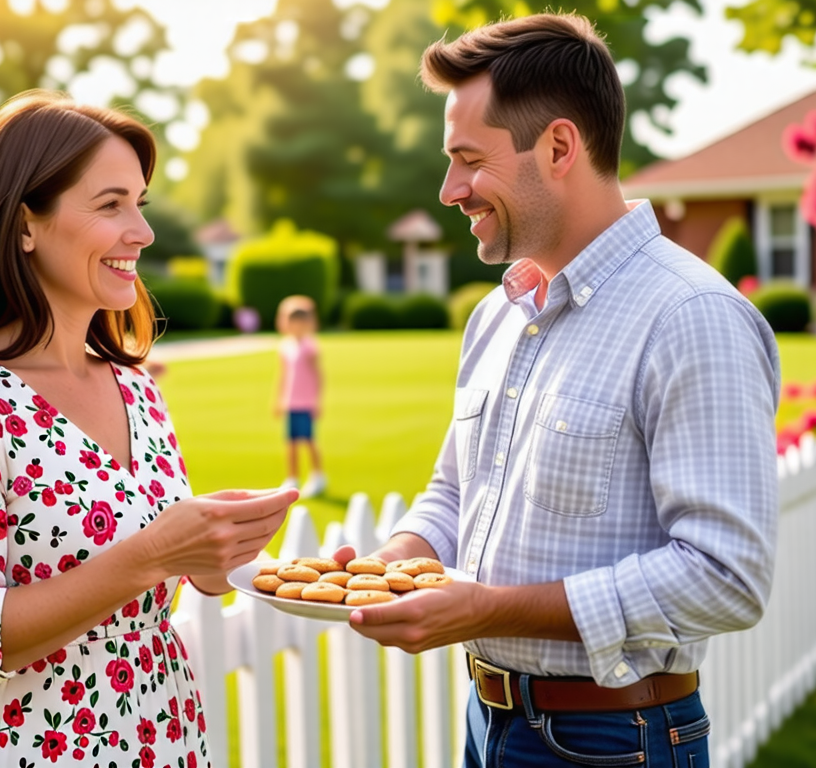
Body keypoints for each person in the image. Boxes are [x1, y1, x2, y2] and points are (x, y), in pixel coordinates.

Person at [334, 14, 780, 768]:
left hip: (614, 740)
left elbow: (726, 577)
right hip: (489, 721)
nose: (449, 190)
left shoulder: (690, 317)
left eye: (468, 160)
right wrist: (394, 564)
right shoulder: (497, 314)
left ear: (560, 147)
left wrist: (489, 609)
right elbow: (453, 493)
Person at [0, 91, 297, 768]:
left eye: (139, 202)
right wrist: (157, 553)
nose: (142, 230)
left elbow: (149, 580)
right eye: (111, 205)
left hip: (159, 737)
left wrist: (214, 551)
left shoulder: (134, 386)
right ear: (24, 225)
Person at [274, 295, 325, 497]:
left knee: (309, 440)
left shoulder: (309, 346)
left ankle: (318, 475)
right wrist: (279, 399)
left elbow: (317, 375)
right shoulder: (286, 346)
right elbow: (283, 375)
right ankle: (292, 476)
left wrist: (316, 401)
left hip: (305, 402)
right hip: (291, 402)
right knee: (291, 441)